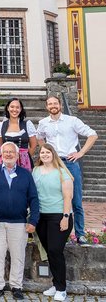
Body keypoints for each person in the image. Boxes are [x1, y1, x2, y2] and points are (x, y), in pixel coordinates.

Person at [0, 142, 40, 300]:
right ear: (1, 155)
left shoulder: (25, 174)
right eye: (5, 152)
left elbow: (34, 199)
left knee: (18, 256)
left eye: (11, 152)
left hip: (19, 223)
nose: (8, 154)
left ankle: (16, 286)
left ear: (17, 155)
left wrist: (33, 220)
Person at [36, 95, 98, 242]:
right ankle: (58, 230)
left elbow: (93, 134)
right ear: (47, 107)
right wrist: (45, 152)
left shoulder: (72, 121)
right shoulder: (43, 123)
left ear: (60, 105)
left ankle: (80, 233)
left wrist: (81, 152)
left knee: (76, 199)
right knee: (53, 196)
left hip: (70, 162)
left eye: (55, 103)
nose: (53, 106)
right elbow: (39, 138)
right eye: (50, 104)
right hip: (53, 163)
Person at [33, 143, 74, 301]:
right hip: (41, 217)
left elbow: (67, 197)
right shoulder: (35, 171)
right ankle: (56, 284)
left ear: (53, 154)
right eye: (42, 152)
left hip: (59, 216)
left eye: (47, 152)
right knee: (50, 252)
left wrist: (65, 217)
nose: (44, 155)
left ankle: (62, 289)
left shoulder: (62, 172)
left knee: (56, 251)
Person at [0, 98, 37, 170]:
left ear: (21, 109)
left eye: (17, 107)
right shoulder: (1, 125)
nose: (14, 109)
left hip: (24, 161)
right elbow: (1, 145)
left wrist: (24, 157)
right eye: (12, 107)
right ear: (8, 108)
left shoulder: (27, 124)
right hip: (7, 160)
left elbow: (33, 145)